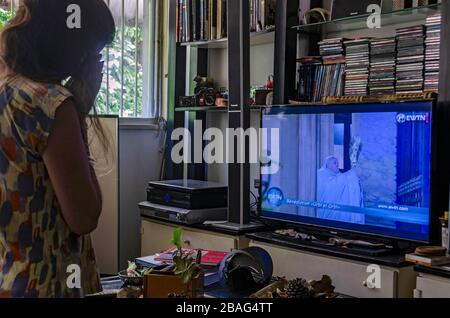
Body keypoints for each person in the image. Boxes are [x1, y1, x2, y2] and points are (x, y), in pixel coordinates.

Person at [0, 0, 115, 298]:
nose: (94, 66)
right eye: (93, 54)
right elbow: (85, 216)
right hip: (49, 284)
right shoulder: (53, 105)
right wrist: (78, 114)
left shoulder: (7, 90)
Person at [316, 137, 365, 225]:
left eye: (337, 162)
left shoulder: (339, 176)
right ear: (327, 165)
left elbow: (344, 180)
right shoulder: (321, 174)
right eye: (334, 162)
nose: (337, 164)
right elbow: (328, 188)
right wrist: (352, 174)